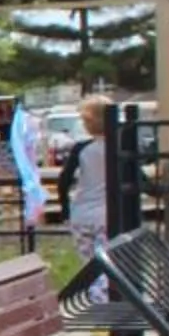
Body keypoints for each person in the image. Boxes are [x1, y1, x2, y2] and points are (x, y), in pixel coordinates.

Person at [59, 96, 115, 257]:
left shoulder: (81, 148)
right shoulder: (118, 147)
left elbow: (64, 181)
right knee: (109, 264)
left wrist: (65, 210)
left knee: (88, 265)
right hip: (108, 212)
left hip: (81, 211)